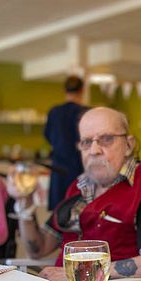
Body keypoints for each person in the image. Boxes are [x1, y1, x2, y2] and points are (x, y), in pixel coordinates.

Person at [9, 107, 141, 281]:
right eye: (86, 142)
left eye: (106, 139)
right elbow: (38, 250)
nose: (94, 150)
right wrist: (25, 204)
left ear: (128, 145)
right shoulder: (78, 187)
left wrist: (73, 275)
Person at [44, 75, 89, 210]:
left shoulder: (54, 112)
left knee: (58, 211)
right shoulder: (85, 112)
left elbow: (47, 135)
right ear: (82, 91)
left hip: (58, 167)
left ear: (65, 91)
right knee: (78, 209)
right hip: (79, 167)